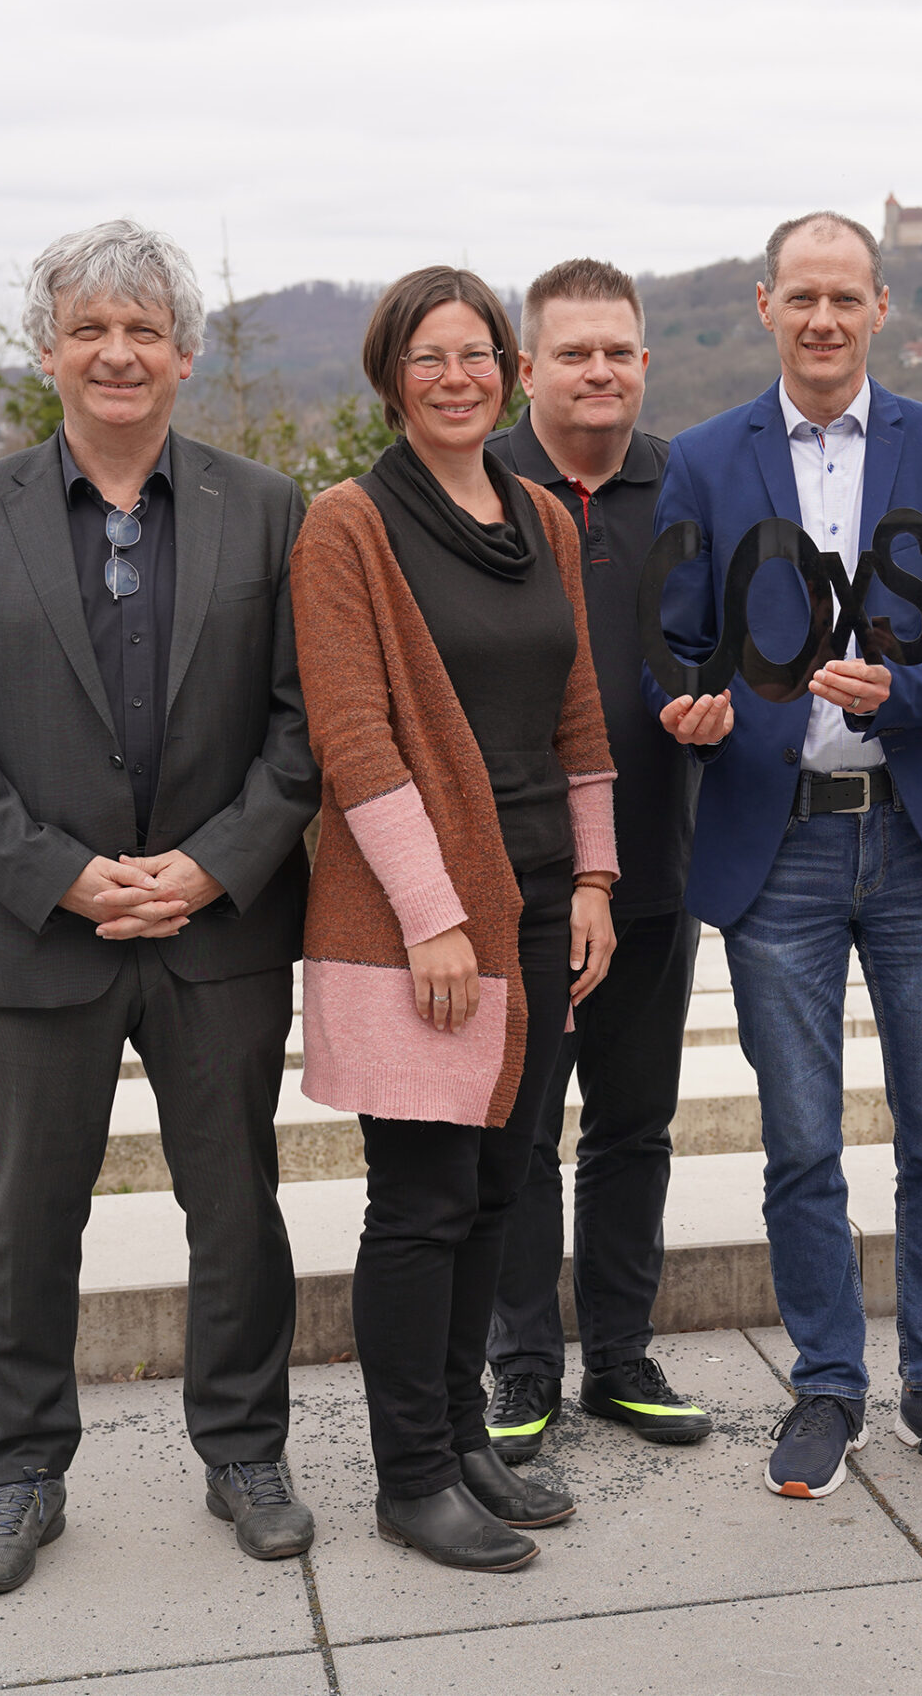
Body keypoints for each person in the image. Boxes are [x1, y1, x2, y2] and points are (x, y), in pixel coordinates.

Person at [0, 220, 320, 1596]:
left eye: (144, 330)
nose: (118, 352)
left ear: (185, 354)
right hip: (36, 936)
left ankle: (246, 1451)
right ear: (49, 353)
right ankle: (22, 1477)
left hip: (221, 930)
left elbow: (305, 724)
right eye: (91, 328)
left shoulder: (272, 509)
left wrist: (209, 865)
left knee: (237, 1206)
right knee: (26, 1220)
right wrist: (62, 875)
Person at [650, 211, 922, 1500]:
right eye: (799, 297)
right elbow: (678, 643)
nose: (821, 319)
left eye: (843, 298)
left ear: (880, 309)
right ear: (764, 305)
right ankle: (826, 1384)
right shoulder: (700, 461)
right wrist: (689, 710)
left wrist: (895, 692)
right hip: (780, 845)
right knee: (801, 1142)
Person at [290, 266, 622, 1573]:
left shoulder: (539, 514)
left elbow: (579, 710)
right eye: (427, 356)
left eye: (476, 352)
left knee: (499, 1184)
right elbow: (354, 737)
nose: (455, 376)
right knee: (421, 1200)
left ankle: (471, 1439)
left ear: (509, 370)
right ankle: (411, 1474)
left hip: (542, 902)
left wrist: (594, 880)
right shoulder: (347, 527)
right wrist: (433, 918)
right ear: (391, 373)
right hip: (422, 918)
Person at [482, 260, 711, 1459]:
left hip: (656, 872)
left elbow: (734, 644)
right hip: (517, 879)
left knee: (634, 1123)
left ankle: (619, 1353)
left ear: (644, 362)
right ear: (529, 368)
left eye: (618, 351)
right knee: (518, 1130)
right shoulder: (477, 486)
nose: (599, 371)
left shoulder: (690, 487)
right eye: (574, 353)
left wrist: (719, 706)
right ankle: (521, 1361)